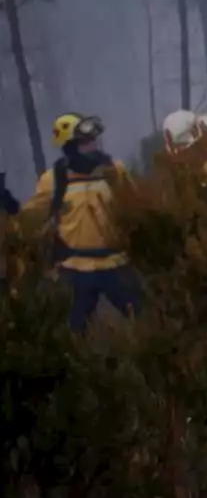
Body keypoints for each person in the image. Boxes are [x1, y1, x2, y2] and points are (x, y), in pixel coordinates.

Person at [23, 113, 142, 333]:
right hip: (74, 269)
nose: (92, 146)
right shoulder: (54, 180)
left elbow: (136, 208)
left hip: (116, 264)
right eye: (84, 141)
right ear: (68, 145)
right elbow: (30, 218)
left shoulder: (114, 171)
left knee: (148, 322)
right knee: (72, 335)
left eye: (93, 140)